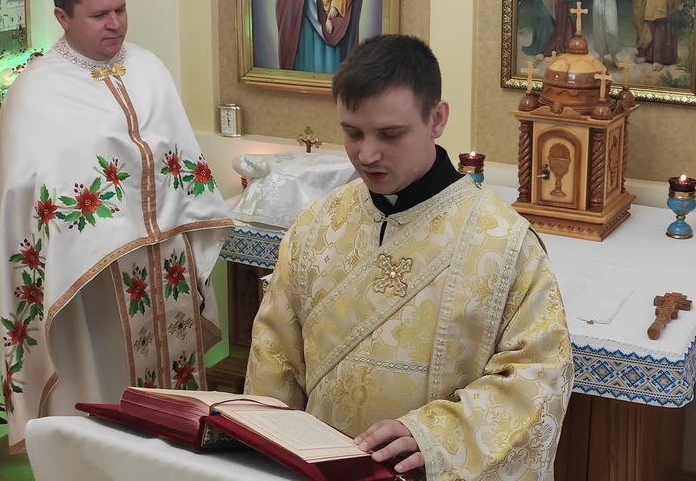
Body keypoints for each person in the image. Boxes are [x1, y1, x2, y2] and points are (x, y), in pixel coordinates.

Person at [245, 34, 574, 478]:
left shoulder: (503, 242)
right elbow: (274, 357)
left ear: (436, 119)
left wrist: (435, 437)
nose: (367, 154)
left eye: (390, 134)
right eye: (352, 132)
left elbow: (537, 378)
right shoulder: (316, 226)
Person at [0, 0, 232, 448]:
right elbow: (29, 192)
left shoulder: (149, 67)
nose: (116, 24)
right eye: (99, 14)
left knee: (177, 396)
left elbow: (174, 152)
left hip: (166, 263)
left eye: (121, 10)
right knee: (108, 391)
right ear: (63, 17)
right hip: (92, 280)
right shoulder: (36, 90)